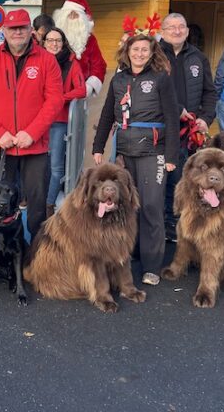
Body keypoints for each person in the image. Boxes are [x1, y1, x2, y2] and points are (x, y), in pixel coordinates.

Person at [92, 18, 179, 286]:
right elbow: (108, 114)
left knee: (151, 206)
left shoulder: (161, 79)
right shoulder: (118, 80)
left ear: (152, 53)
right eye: (135, 49)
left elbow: (173, 118)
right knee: (127, 206)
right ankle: (130, 256)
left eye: (145, 49)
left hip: (154, 151)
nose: (139, 54)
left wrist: (172, 157)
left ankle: (152, 265)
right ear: (127, 52)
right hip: (124, 151)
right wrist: (98, 147)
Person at [0, 9, 63, 238]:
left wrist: (32, 132)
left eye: (22, 27)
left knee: (37, 204)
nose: (17, 32)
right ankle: (1, 257)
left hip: (35, 145)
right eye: (13, 28)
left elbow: (54, 100)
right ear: (4, 31)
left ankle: (38, 256)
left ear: (31, 30)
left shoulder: (47, 60)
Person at [158, 13, 217, 241]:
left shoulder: (198, 57)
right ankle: (157, 224)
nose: (176, 31)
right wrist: (177, 108)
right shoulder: (154, 56)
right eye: (171, 27)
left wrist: (205, 118)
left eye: (181, 26)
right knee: (159, 178)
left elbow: (209, 92)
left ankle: (174, 224)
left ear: (187, 30)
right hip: (161, 129)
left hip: (187, 134)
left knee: (181, 177)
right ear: (162, 31)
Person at [42, 27, 86, 217]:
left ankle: (49, 205)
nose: (54, 44)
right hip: (37, 121)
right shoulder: (36, 61)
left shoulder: (71, 63)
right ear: (43, 43)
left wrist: (61, 98)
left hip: (59, 121)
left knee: (56, 166)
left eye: (58, 40)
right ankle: (32, 200)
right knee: (36, 165)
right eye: (50, 40)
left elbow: (82, 90)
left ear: (63, 42)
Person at [52, 0, 107, 96]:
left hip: (79, 93)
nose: (72, 17)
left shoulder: (90, 40)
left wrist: (90, 86)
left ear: (83, 18)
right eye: (69, 14)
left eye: (76, 15)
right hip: (54, 89)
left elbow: (99, 65)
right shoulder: (51, 37)